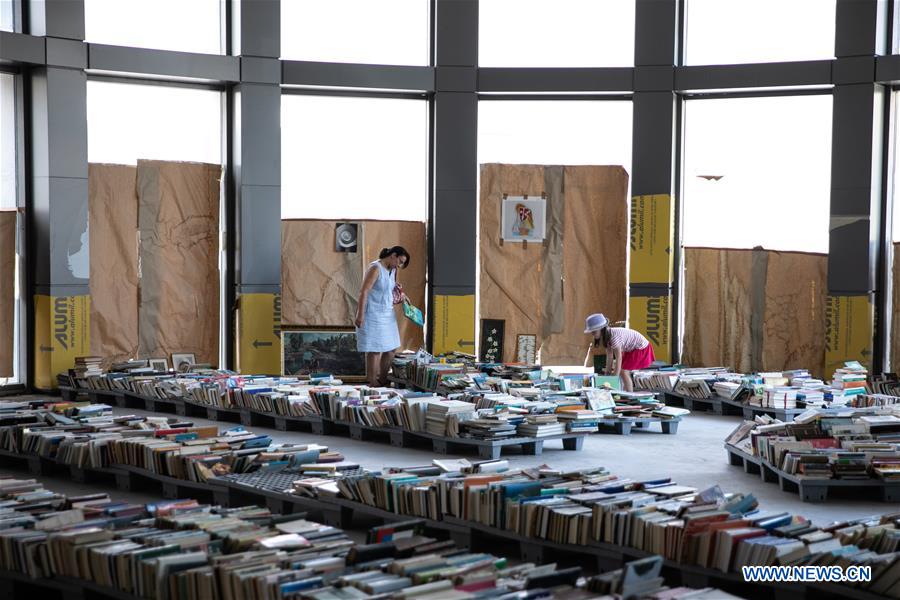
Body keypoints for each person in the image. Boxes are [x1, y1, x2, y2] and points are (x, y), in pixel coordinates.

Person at [355, 246, 410, 386]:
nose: (400, 264)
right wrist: (360, 315)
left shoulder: (393, 270)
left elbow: (390, 288)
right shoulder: (375, 268)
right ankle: (373, 382)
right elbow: (364, 292)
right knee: (374, 350)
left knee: (391, 348)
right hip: (372, 313)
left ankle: (383, 379)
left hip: (387, 313)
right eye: (400, 261)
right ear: (393, 255)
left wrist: (403, 296)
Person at [583, 313, 654, 392]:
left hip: (641, 348)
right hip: (631, 348)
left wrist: (614, 378)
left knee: (623, 371)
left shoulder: (614, 337)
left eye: (594, 331)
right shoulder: (606, 337)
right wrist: (607, 373)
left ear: (601, 329)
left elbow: (618, 358)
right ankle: (624, 391)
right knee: (619, 370)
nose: (592, 334)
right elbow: (609, 356)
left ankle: (629, 395)